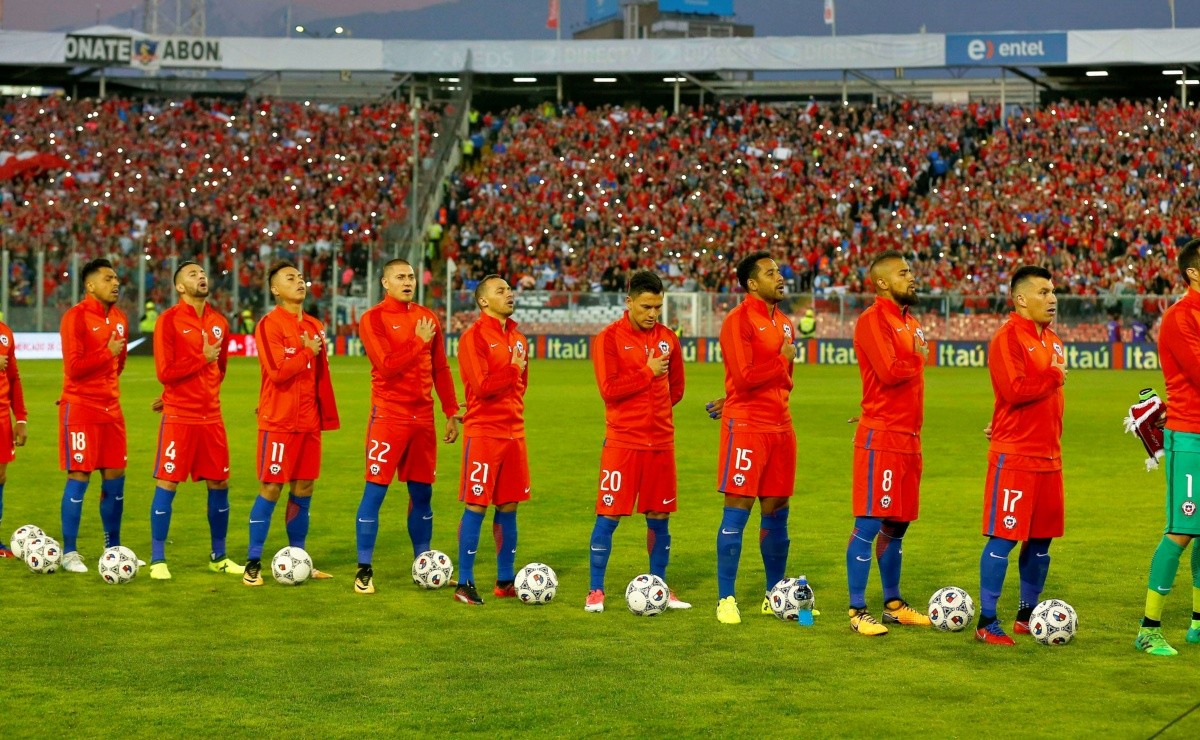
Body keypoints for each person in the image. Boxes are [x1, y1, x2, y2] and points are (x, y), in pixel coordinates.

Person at [353, 258, 461, 595]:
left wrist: (451, 410)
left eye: (411, 276)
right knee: (376, 491)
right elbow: (385, 367)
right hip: (388, 417)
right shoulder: (373, 318)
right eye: (400, 276)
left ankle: (423, 563)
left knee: (422, 493)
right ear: (385, 282)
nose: (407, 281)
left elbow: (440, 368)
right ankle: (364, 569)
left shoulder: (427, 317)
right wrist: (416, 342)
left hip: (422, 419)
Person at [585, 270, 690, 613]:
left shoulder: (669, 339)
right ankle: (596, 591)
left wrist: (653, 411)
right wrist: (646, 373)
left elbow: (677, 389)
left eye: (658, 307)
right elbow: (608, 390)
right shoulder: (608, 339)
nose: (653, 314)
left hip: (661, 442)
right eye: (646, 306)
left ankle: (659, 587)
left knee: (660, 516)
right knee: (609, 514)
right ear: (628, 302)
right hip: (623, 442)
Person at [975, 265, 1068, 645]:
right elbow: (1014, 390)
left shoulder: (1054, 340)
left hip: (1049, 458)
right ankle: (986, 621)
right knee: (1004, 537)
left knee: (1042, 540)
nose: (1052, 299)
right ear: (1020, 299)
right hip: (1015, 458)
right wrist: (1054, 376)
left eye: (1053, 292)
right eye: (1044, 292)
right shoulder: (1007, 337)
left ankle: (1026, 615)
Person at [845, 251, 932, 636]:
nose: (911, 277)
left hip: (909, 438)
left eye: (910, 270)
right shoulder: (872, 320)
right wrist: (919, 357)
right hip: (881, 438)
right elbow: (890, 370)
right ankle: (857, 610)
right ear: (882, 282)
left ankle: (894, 605)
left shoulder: (910, 322)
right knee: (868, 522)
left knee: (898, 526)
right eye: (903, 272)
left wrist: (915, 354)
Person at [711, 251, 797, 625]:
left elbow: (778, 380)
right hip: (747, 427)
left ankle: (774, 596)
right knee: (737, 512)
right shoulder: (738, 320)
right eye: (769, 273)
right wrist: (781, 361)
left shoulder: (786, 323)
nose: (779, 277)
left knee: (777, 515)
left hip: (781, 426)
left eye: (778, 271)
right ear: (751, 283)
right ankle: (725, 598)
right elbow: (745, 376)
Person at [242, 261, 340, 586]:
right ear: (275, 289)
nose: (298, 281)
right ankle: (253, 562)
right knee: (271, 487)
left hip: (308, 422)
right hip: (279, 421)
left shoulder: (314, 324)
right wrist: (306, 352)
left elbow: (320, 377)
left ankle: (299, 557)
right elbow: (277, 371)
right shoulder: (269, 324)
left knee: (304, 488)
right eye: (289, 278)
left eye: (300, 277)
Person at [146, 261, 243, 579]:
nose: (201, 276)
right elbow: (165, 372)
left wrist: (204, 388)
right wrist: (200, 360)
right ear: (179, 286)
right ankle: (158, 559)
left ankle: (219, 556)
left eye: (203, 272)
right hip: (179, 417)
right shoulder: (168, 321)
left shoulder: (218, 321)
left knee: (220, 483)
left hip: (211, 417)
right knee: (168, 481)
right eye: (192, 274)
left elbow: (221, 369)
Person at [1134, 238, 1200, 656]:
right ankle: (1148, 628)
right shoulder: (1180, 317)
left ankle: (1198, 623)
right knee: (1181, 530)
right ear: (1193, 272)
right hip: (1190, 436)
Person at [452, 274, 529, 605]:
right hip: (484, 432)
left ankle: (504, 580)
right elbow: (482, 386)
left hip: (514, 432)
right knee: (477, 503)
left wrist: (513, 375)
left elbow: (522, 386)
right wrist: (512, 370)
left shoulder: (519, 338)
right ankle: (464, 582)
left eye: (510, 289)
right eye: (501, 290)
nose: (509, 294)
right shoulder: (473, 338)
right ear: (483, 301)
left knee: (509, 505)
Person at [58, 258, 129, 573]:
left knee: (115, 479)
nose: (115, 283)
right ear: (90, 285)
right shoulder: (75, 317)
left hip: (111, 410)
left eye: (116, 278)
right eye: (107, 278)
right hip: (81, 407)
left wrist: (110, 358)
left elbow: (120, 364)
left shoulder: (120, 318)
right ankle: (69, 552)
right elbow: (74, 368)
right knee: (80, 476)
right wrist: (107, 353)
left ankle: (112, 549)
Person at [0, 315, 27, 558]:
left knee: (0, 477)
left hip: (1, 420)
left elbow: (13, 379)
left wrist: (20, 419)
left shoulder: (5, 333)